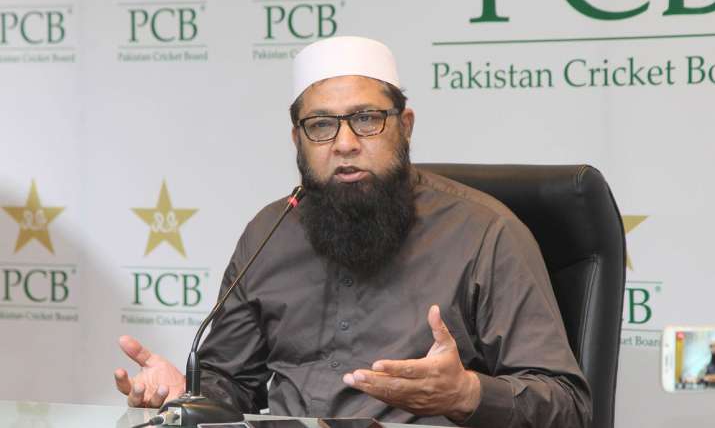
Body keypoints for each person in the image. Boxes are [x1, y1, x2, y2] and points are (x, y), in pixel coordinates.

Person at [114, 36, 592, 427]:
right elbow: (231, 383)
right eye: (321, 125)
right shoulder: (269, 231)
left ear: (405, 126)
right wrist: (186, 394)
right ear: (297, 139)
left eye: (366, 119)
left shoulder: (486, 233)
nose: (345, 143)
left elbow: (568, 406)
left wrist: (466, 394)